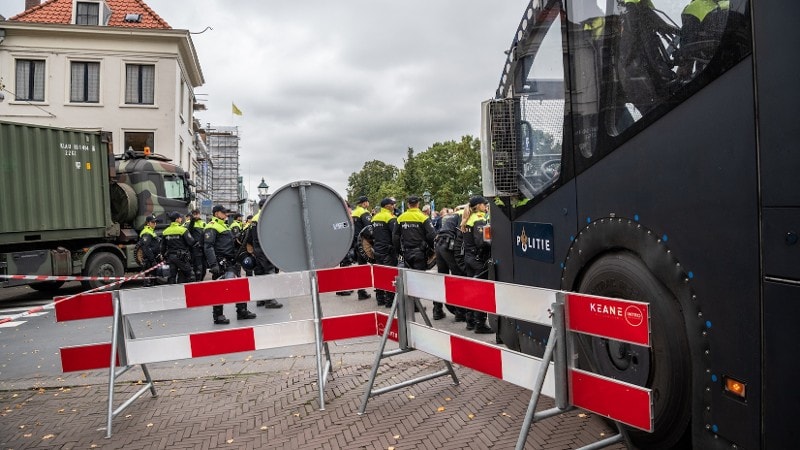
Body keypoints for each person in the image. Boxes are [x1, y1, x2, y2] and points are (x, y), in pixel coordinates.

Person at [204, 205, 257, 324]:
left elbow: (227, 243)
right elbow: (208, 247)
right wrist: (213, 264)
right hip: (220, 263)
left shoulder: (224, 225)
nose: (226, 215)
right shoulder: (211, 226)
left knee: (239, 285)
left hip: (230, 261)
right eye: (223, 213)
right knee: (220, 289)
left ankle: (242, 311)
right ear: (216, 213)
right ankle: (218, 316)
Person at [394, 195, 437, 314]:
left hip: (406, 252)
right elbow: (432, 235)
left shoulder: (400, 218)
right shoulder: (423, 217)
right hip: (420, 252)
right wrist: (432, 250)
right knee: (418, 279)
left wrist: (399, 251)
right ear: (418, 204)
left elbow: (396, 236)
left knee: (409, 279)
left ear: (408, 205)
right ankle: (416, 305)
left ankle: (411, 304)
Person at [461, 196, 493, 334]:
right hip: (478, 259)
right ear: (479, 206)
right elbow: (482, 242)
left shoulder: (468, 218)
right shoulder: (479, 219)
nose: (486, 206)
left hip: (469, 257)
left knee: (471, 289)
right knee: (481, 290)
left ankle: (470, 321)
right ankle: (480, 324)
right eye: (484, 204)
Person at [246, 199, 283, 309]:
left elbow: (249, 237)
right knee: (269, 273)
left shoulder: (255, 218)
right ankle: (270, 300)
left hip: (257, 250)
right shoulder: (265, 217)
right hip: (265, 249)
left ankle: (261, 299)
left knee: (259, 274)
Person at [434, 208, 468, 321]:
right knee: (458, 277)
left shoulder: (453, 215)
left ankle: (437, 310)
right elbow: (460, 237)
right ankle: (460, 312)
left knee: (441, 277)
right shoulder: (464, 215)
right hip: (448, 246)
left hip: (439, 243)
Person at [371, 197, 399, 308]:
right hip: (388, 250)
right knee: (390, 275)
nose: (394, 206)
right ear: (387, 206)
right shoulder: (390, 217)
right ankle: (390, 301)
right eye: (392, 204)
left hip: (377, 250)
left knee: (379, 274)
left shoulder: (375, 218)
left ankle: (380, 299)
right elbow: (395, 234)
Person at [161, 211, 196, 284]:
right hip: (181, 257)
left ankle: (172, 293)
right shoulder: (182, 230)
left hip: (170, 257)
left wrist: (164, 256)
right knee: (190, 275)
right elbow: (191, 242)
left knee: (171, 277)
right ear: (177, 219)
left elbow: (163, 247)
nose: (181, 219)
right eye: (180, 218)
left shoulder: (165, 231)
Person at [350, 195, 372, 300]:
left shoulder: (354, 212)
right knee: (366, 267)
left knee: (360, 266)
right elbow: (369, 228)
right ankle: (363, 291)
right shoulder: (364, 212)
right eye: (367, 202)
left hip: (355, 241)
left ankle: (361, 290)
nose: (368, 203)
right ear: (364, 203)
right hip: (363, 243)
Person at [138, 215, 161, 287]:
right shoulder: (146, 233)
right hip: (149, 261)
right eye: (153, 222)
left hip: (152, 259)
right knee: (149, 282)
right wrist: (152, 260)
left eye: (155, 222)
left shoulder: (151, 231)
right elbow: (146, 248)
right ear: (148, 223)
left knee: (153, 281)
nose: (155, 224)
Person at [185, 209, 206, 281]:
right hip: (195, 248)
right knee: (198, 268)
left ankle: (201, 281)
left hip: (203, 248)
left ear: (199, 214)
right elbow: (189, 232)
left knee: (204, 269)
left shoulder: (204, 223)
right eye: (194, 214)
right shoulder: (190, 223)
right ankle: (197, 282)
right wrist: (192, 221)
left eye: (197, 214)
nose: (196, 215)